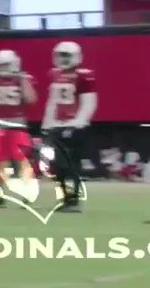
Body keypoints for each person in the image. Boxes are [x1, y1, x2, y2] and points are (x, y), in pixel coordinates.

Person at [41, 41, 96, 211]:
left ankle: (74, 199)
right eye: (61, 55)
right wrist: (47, 123)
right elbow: (52, 102)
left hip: (74, 125)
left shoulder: (84, 75)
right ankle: (66, 197)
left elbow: (89, 101)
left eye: (67, 55)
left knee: (72, 164)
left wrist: (79, 121)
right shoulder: (53, 74)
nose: (63, 59)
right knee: (57, 166)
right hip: (56, 125)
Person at [0, 50, 38, 207]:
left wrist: (22, 79)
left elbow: (31, 99)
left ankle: (28, 194)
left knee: (22, 161)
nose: (2, 68)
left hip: (17, 124)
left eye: (5, 64)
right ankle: (1, 195)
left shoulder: (23, 79)